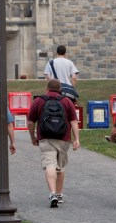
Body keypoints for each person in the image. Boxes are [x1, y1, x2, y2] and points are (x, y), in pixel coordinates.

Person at [27, 79, 80, 208]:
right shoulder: (66, 101)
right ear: (60, 89)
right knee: (60, 167)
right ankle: (60, 194)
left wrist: (32, 136)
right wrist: (76, 139)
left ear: (47, 88)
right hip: (63, 138)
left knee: (50, 164)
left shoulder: (39, 101)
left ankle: (52, 193)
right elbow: (73, 121)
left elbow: (30, 121)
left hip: (45, 138)